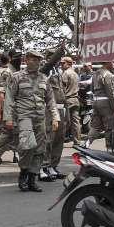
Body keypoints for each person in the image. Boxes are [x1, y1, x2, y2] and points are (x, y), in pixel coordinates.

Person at [3, 50, 60, 192]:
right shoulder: (17, 77)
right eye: (33, 59)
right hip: (24, 116)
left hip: (40, 117)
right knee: (27, 146)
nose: (36, 62)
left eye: (38, 60)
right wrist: (8, 118)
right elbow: (9, 98)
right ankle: (23, 175)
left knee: (40, 149)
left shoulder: (44, 78)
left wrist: (55, 117)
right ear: (26, 60)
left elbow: (50, 99)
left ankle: (32, 179)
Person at [39, 48, 67, 182]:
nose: (59, 61)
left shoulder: (58, 71)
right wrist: (60, 51)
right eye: (56, 58)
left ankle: (53, 166)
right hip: (50, 110)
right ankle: (43, 167)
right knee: (48, 138)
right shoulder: (45, 70)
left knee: (59, 139)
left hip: (61, 108)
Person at [87, 61, 114, 147]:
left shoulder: (95, 73)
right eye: (113, 63)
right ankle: (109, 147)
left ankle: (87, 143)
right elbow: (110, 93)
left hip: (96, 101)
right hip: (105, 102)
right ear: (108, 63)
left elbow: (92, 89)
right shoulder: (108, 75)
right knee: (109, 125)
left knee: (96, 125)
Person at [61, 56, 81, 145]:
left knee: (64, 122)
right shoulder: (75, 74)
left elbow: (62, 88)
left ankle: (59, 141)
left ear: (68, 64)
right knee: (75, 122)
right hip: (75, 99)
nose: (61, 65)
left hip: (67, 100)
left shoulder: (65, 73)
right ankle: (77, 141)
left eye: (63, 63)